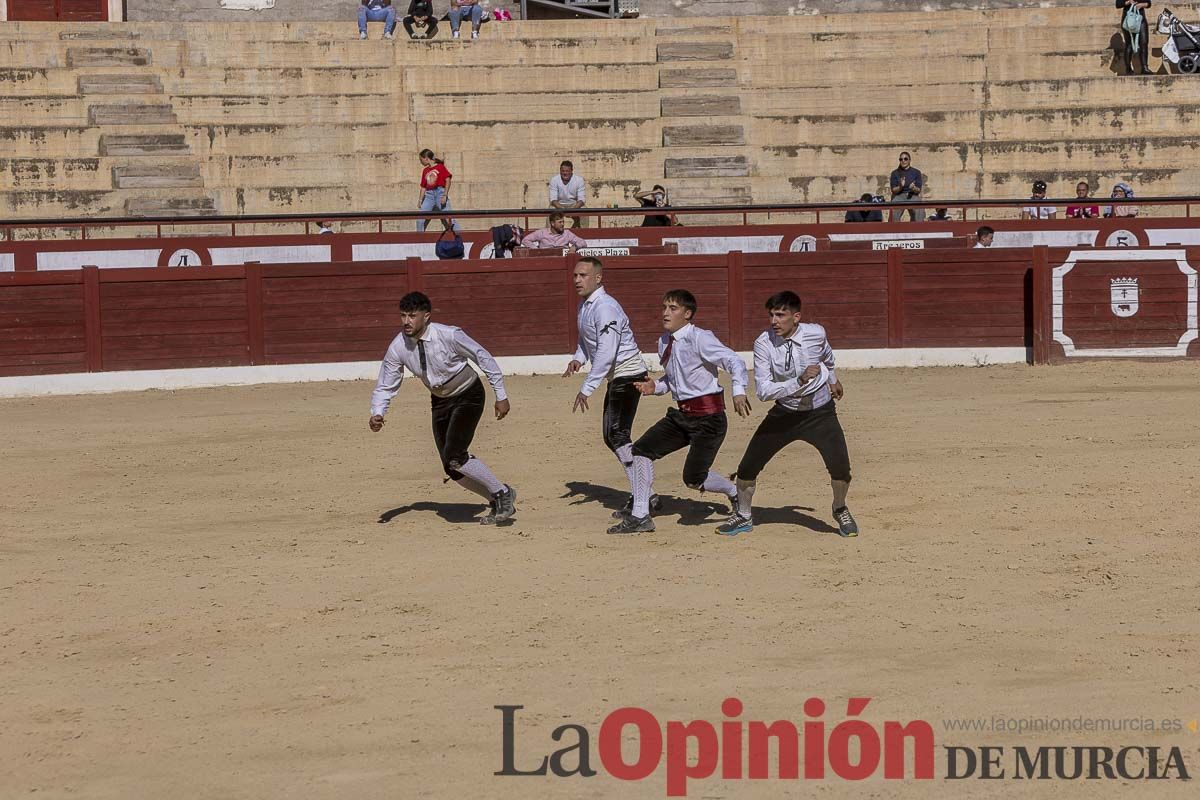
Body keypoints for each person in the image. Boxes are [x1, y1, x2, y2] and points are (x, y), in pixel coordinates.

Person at [609, 290, 751, 535]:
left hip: (709, 419)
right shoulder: (664, 341)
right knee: (641, 451)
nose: (665, 312)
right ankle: (640, 515)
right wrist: (656, 386)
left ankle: (732, 491)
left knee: (694, 480)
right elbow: (674, 380)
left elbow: (734, 362)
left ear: (687, 314)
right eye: (664, 307)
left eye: (673, 308)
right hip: (682, 416)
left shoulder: (701, 338)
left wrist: (738, 391)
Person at [368, 291, 517, 525]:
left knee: (455, 455)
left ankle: (502, 493)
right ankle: (497, 496)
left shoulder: (449, 334)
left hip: (469, 393)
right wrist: (378, 412)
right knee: (452, 467)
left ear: (426, 316)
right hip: (440, 400)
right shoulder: (398, 346)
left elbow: (482, 357)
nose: (406, 321)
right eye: (403, 316)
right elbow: (386, 383)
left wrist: (501, 395)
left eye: (412, 316)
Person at [718, 291, 858, 538]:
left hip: (820, 412)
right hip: (785, 412)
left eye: (780, 315)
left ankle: (839, 507)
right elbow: (763, 391)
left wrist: (833, 379)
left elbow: (827, 356)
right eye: (771, 315)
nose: (774, 321)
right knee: (748, 466)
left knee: (840, 468)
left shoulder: (816, 333)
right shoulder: (763, 343)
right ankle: (744, 516)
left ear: (796, 317)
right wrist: (799, 380)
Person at [563, 257, 660, 519]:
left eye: (583, 275)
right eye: (575, 275)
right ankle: (645, 493)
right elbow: (588, 342)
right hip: (619, 376)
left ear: (598, 278)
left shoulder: (605, 307)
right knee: (614, 436)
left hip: (628, 374)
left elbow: (607, 351)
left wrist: (587, 387)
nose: (577, 280)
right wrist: (578, 359)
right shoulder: (586, 306)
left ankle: (645, 494)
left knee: (616, 435)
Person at [416, 149, 459, 233]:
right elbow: (423, 187)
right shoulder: (425, 170)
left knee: (450, 219)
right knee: (420, 219)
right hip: (429, 196)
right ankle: (419, 239)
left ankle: (461, 238)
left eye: (421, 160)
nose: (421, 162)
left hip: (440, 193)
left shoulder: (440, 167)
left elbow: (448, 180)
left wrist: (445, 195)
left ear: (426, 158)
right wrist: (420, 200)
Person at [1118, 0, 1153, 75]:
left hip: (1141, 18)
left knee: (1144, 42)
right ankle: (1128, 68)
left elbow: (1148, 3)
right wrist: (1128, 2)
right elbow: (1118, 4)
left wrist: (1142, 5)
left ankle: (1144, 67)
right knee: (1129, 44)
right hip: (1128, 17)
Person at [519, 211, 586, 250]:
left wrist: (574, 247)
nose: (562, 224)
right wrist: (536, 250)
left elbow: (582, 242)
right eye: (560, 222)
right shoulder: (542, 232)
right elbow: (525, 240)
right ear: (552, 223)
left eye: (563, 222)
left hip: (562, 261)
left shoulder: (567, 233)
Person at [889, 152, 925, 222]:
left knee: (920, 209)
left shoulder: (916, 172)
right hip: (899, 195)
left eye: (905, 159)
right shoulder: (895, 173)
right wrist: (900, 186)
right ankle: (894, 229)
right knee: (893, 212)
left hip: (912, 195)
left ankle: (919, 229)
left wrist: (913, 188)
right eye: (901, 159)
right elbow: (893, 190)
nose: (903, 161)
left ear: (909, 160)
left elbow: (918, 190)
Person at [549, 160, 586, 228]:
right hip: (559, 204)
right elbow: (553, 200)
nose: (565, 173)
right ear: (560, 171)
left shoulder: (579, 180)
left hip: (574, 204)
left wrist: (572, 210)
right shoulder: (554, 180)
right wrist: (563, 210)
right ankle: (549, 235)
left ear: (571, 171)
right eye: (563, 171)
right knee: (550, 210)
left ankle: (584, 234)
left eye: (567, 171)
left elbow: (581, 200)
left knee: (584, 211)